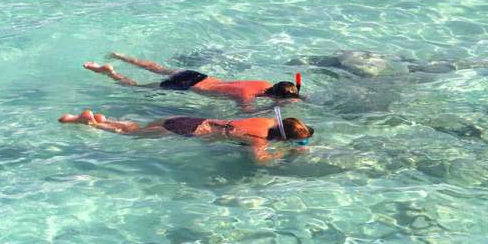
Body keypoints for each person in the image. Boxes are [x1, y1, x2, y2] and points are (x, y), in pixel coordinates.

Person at [58, 109, 314, 165]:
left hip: (193, 120)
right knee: (134, 137)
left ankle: (106, 119)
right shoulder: (259, 139)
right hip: (190, 131)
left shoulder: (267, 120)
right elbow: (259, 160)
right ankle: (89, 123)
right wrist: (286, 153)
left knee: (138, 128)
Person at [82, 52, 302, 111]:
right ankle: (109, 73)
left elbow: (279, 93)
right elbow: (245, 113)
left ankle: (120, 57)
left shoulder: (260, 82)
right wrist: (273, 107)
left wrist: (287, 97)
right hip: (188, 86)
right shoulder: (245, 97)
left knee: (156, 67)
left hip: (197, 75)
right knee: (136, 88)